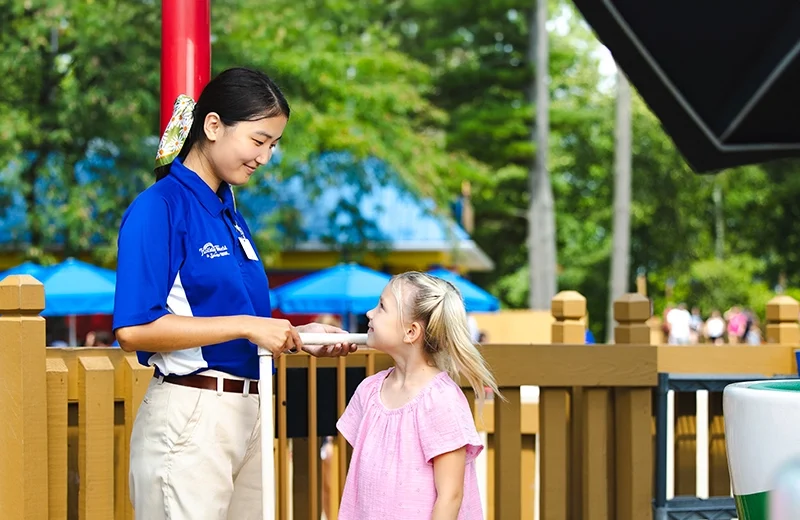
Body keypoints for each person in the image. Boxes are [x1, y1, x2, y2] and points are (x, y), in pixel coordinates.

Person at [112, 67, 356, 520]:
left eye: (274, 145)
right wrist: (248, 326)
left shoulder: (232, 215)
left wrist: (301, 336)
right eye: (259, 140)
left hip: (252, 409)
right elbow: (134, 328)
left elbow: (240, 320)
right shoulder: (159, 207)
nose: (265, 157)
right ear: (213, 126)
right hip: (192, 413)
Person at [336, 272, 500, 519]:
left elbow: (450, 496)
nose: (370, 313)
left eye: (382, 307)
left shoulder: (441, 400)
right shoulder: (368, 391)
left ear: (411, 332)